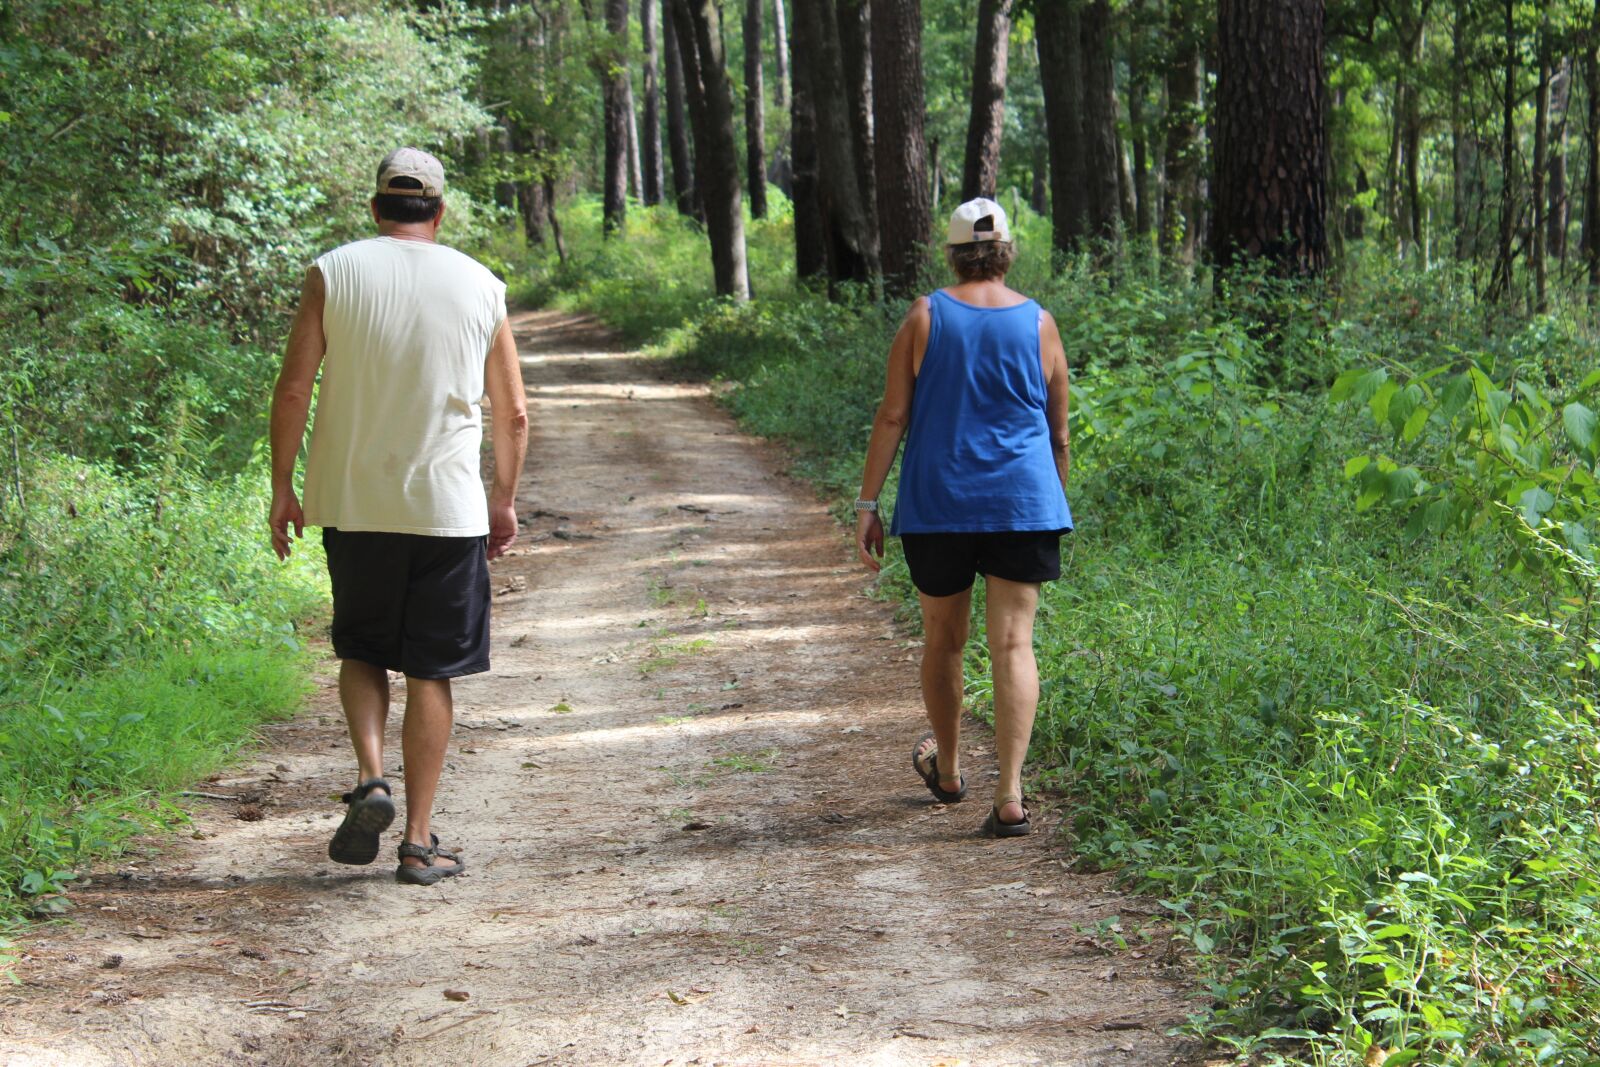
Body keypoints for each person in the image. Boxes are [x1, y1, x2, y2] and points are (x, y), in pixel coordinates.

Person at [269, 148, 528, 884]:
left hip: (352, 502)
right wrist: (502, 501)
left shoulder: (335, 270)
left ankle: (372, 777)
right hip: (447, 510)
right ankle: (417, 842)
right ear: (439, 211)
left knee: (362, 648)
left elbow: (293, 391)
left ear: (376, 208)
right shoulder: (481, 284)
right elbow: (511, 411)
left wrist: (284, 487)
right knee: (432, 669)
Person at [855, 198, 1072, 837]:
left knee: (944, 640)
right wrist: (1049, 502)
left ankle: (948, 770)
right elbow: (1058, 435)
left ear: (952, 252)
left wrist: (869, 505)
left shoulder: (925, 316)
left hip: (938, 504)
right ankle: (1009, 794)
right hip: (1022, 503)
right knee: (1013, 644)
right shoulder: (1041, 323)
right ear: (1007, 251)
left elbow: (893, 415)